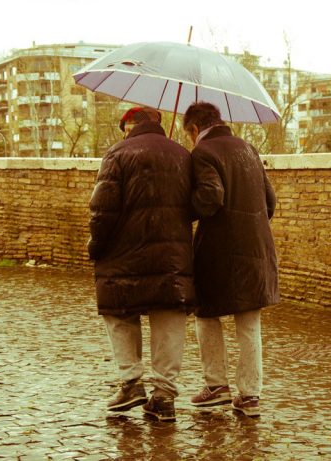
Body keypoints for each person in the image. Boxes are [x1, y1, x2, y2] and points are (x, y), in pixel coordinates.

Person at [88, 106, 194, 422]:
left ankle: (131, 381)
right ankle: (163, 395)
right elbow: (199, 203)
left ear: (130, 126)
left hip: (124, 254)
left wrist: (96, 246)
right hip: (172, 256)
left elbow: (102, 209)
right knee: (169, 317)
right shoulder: (183, 155)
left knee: (119, 314)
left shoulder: (117, 153)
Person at [182, 102, 279, 417]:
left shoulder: (203, 153)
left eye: (188, 136)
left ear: (195, 129)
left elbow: (211, 197)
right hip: (256, 248)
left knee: (206, 314)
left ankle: (216, 385)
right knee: (249, 321)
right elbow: (270, 200)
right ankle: (250, 395)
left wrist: (185, 208)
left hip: (219, 250)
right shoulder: (248, 148)